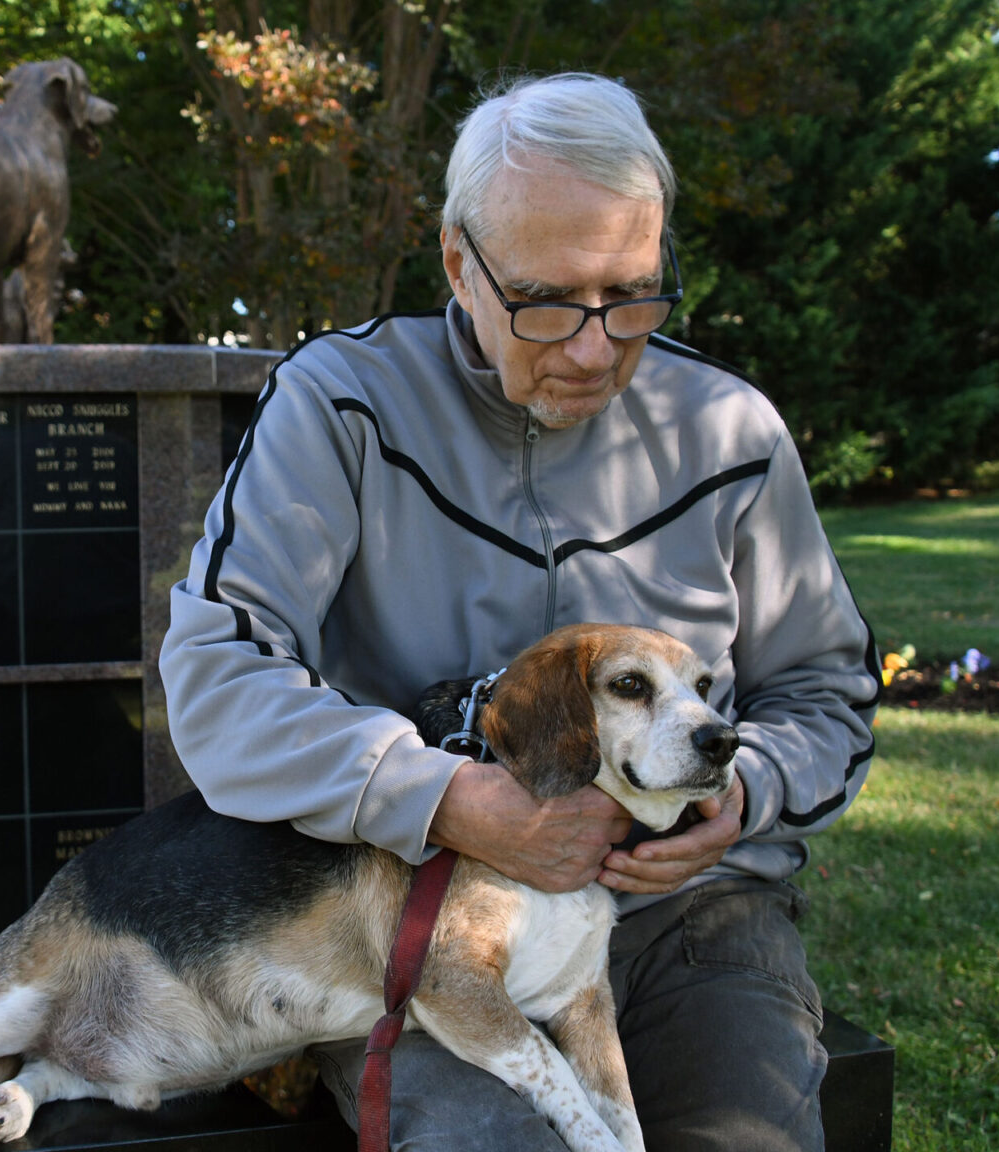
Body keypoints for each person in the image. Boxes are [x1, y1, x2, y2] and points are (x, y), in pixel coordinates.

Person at [159, 72, 879, 1152]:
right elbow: (218, 675)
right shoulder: (340, 404)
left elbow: (827, 693)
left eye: (631, 295)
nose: (594, 348)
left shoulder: (729, 431)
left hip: (692, 912)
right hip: (427, 912)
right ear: (458, 261)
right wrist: (444, 799)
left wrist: (745, 797)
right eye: (546, 301)